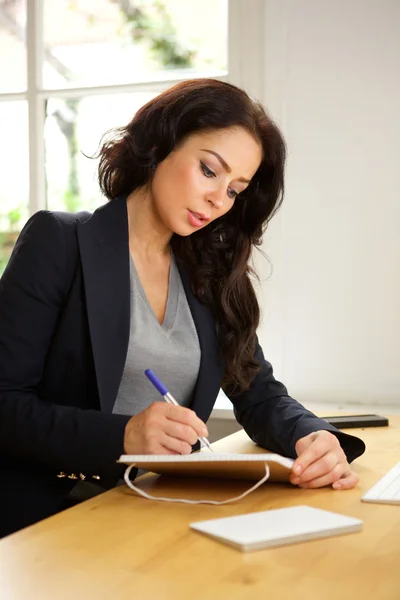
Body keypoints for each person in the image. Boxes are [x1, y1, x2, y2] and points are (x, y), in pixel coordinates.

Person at [0, 78, 365, 538]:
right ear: (159, 145)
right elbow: (5, 402)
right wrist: (123, 437)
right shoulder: (58, 241)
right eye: (210, 170)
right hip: (53, 522)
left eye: (235, 189)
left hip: (161, 512)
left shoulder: (208, 273)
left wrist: (313, 437)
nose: (218, 200)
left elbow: (259, 393)